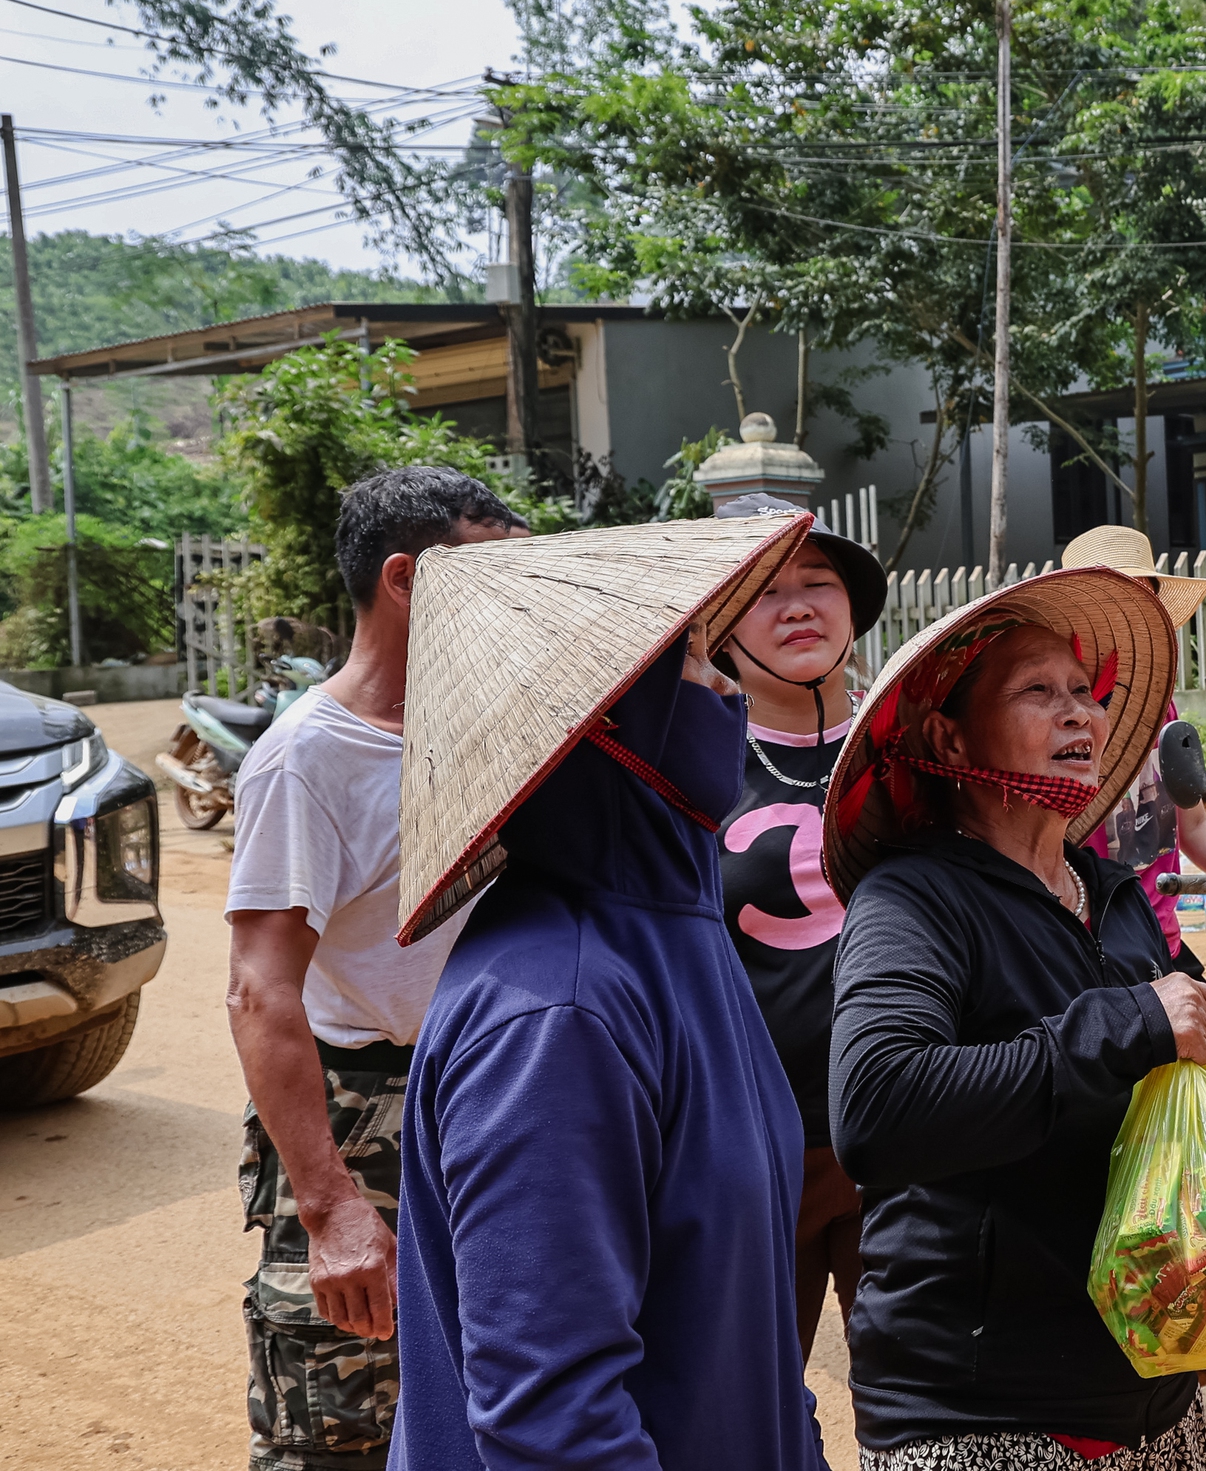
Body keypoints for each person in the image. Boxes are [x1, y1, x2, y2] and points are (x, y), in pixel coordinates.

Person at [388, 514, 826, 1471]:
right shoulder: (560, 1008)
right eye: (701, 661)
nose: (731, 688)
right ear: (611, 717)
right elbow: (554, 1426)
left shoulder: (679, 929)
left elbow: (739, 1317)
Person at [824, 567, 1206, 1470]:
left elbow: (1179, 1065)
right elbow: (877, 1106)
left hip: (1152, 1390)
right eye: (1038, 692)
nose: (1081, 716)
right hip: (979, 1411)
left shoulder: (1116, 894)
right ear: (948, 733)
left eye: (1085, 695)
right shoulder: (913, 899)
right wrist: (1131, 1023)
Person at [223, 465, 524, 1471]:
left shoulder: (500, 735)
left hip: (497, 1099)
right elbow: (259, 993)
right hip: (367, 1114)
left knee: (488, 1405)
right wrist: (331, 1203)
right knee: (346, 1420)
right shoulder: (308, 758)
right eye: (486, 576)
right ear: (404, 581)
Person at [708, 492, 889, 1366]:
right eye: (762, 590)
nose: (797, 605)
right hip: (750, 1143)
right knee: (751, 1405)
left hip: (904, 1138)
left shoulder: (912, 745)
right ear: (721, 626)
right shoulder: (689, 763)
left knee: (920, 1402)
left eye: (818, 580)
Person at [1059, 523, 1206, 953]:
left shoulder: (1162, 709)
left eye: (1143, 607)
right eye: (1113, 607)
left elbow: (1193, 825)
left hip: (1162, 943)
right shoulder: (1057, 723)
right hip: (1085, 953)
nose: (1129, 625)